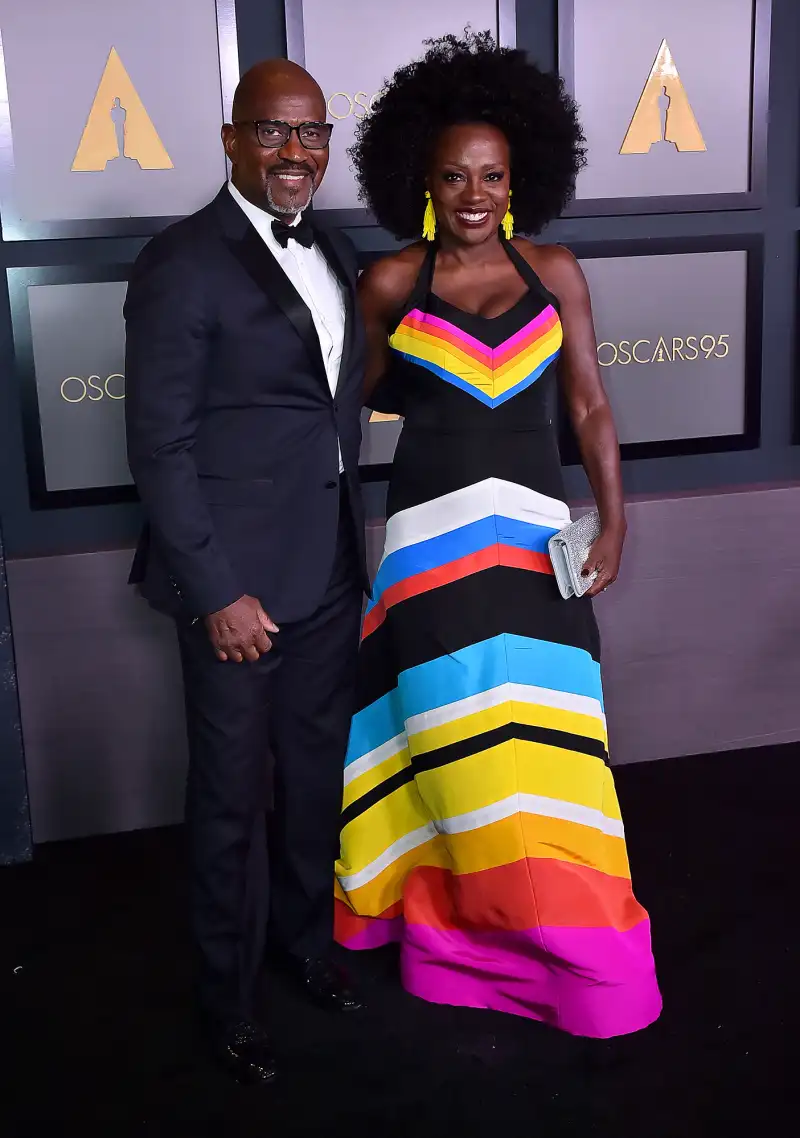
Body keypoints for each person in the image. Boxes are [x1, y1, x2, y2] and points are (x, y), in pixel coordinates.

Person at [334, 32, 662, 1039]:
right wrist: (348, 543)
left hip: (531, 547)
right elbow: (341, 422)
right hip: (427, 555)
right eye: (452, 176)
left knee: (551, 763)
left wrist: (610, 519)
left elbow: (592, 411)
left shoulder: (555, 269)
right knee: (451, 758)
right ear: (420, 180)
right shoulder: (390, 282)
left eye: (491, 176)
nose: (472, 194)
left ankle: (580, 967)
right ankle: (451, 951)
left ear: (517, 177)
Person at [124, 59, 368, 1084]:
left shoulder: (341, 248)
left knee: (313, 781)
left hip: (326, 570)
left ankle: (300, 948)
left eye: (309, 133)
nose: (294, 152)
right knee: (230, 798)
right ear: (230, 139)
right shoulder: (183, 261)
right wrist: (218, 591)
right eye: (271, 131)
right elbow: (159, 447)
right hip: (237, 592)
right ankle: (225, 999)